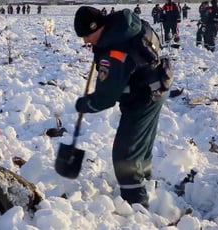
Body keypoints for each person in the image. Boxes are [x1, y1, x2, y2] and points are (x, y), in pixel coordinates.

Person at [73, 6, 172, 208]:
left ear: (98, 26)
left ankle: (136, 204)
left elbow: (106, 97)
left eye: (87, 35)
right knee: (140, 145)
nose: (85, 41)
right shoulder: (123, 27)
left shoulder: (114, 51)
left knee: (125, 154)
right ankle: (145, 180)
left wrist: (85, 104)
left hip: (143, 96)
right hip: (154, 86)